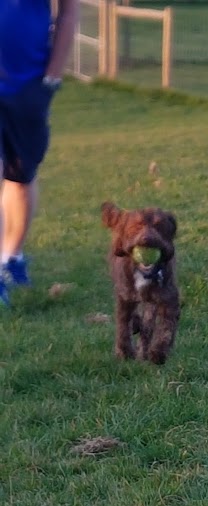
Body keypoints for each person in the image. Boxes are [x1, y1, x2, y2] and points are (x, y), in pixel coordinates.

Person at [0, 0, 78, 307]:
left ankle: (11, 256)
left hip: (30, 85)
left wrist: (52, 77)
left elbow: (69, 10)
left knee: (21, 176)